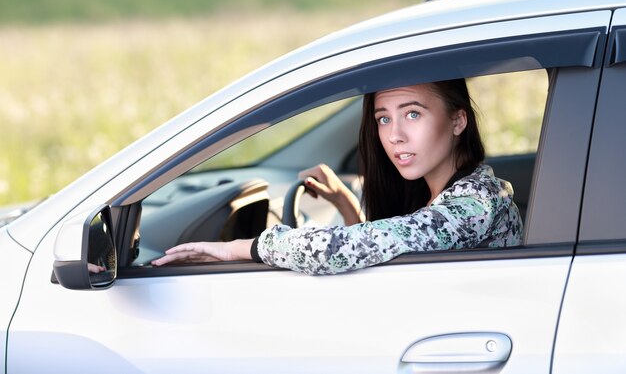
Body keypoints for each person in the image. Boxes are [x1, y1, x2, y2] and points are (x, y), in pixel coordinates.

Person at [152, 79, 523, 274]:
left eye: (413, 114)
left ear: (458, 120)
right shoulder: (450, 196)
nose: (394, 134)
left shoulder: (474, 204)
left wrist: (235, 249)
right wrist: (346, 204)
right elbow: (382, 248)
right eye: (383, 118)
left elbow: (338, 250)